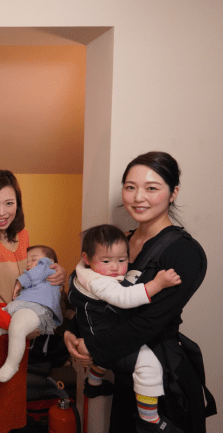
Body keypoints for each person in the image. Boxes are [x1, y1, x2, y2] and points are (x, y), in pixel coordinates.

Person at [64, 152, 214, 433]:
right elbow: (95, 298)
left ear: (173, 193)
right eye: (130, 187)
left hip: (165, 384)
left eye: (152, 188)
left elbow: (148, 322)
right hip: (127, 380)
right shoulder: (119, 243)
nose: (138, 197)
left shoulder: (183, 252)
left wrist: (92, 346)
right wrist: (72, 332)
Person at [0, 170, 66, 433]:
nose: (1, 212)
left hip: (18, 327)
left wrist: (57, 271)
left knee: (9, 402)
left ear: (18, 203)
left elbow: (31, 274)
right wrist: (15, 326)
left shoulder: (22, 236)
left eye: (9, 203)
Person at [69, 224, 181, 430]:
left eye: (122, 260)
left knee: (102, 359)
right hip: (102, 336)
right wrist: (158, 284)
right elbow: (125, 297)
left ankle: (93, 385)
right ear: (87, 258)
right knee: (149, 365)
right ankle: (149, 419)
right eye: (106, 261)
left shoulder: (83, 271)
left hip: (93, 332)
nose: (115, 267)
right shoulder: (100, 282)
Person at [0, 245, 63, 383]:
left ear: (51, 262)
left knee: (18, 327)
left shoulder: (48, 269)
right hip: (18, 307)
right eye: (27, 261)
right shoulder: (31, 276)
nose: (29, 263)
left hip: (37, 308)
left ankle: (12, 365)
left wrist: (20, 282)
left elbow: (38, 271)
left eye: (34, 259)